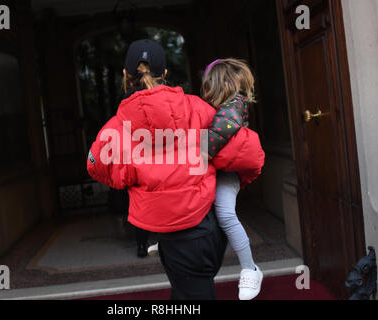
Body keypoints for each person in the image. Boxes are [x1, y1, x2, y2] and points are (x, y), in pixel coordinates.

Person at [87, 39, 264, 300]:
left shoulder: (116, 127)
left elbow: (96, 165)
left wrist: (132, 177)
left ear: (125, 76)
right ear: (165, 74)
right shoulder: (197, 109)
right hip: (205, 229)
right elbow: (250, 154)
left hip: (171, 235)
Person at [202, 58, 264, 300]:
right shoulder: (217, 106)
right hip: (214, 169)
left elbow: (218, 132)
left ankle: (250, 268)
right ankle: (169, 242)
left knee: (226, 214)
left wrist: (195, 151)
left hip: (226, 172)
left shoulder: (233, 107)